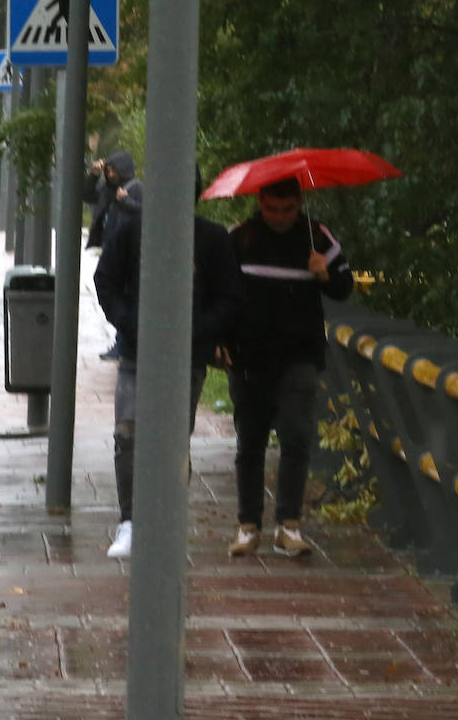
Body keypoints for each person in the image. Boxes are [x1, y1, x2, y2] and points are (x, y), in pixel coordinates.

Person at [93, 170, 240, 558]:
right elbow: (105, 280)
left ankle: (166, 519)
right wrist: (131, 322)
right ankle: (131, 522)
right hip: (137, 352)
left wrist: (198, 332)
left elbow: (228, 297)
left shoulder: (211, 240)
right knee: (128, 434)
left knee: (173, 439)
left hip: (186, 356)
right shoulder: (132, 234)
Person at [226, 176, 353, 558]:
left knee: (296, 435)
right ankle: (248, 525)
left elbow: (344, 288)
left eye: (287, 209)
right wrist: (220, 342)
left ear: (299, 204)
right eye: (271, 209)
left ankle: (289, 524)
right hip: (249, 356)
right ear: (259, 202)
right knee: (251, 440)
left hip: (300, 354)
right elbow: (220, 294)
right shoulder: (239, 238)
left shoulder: (318, 239)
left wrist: (324, 274)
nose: (279, 217)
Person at [84, 151, 144, 360]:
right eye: (107, 170)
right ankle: (122, 340)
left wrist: (126, 201)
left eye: (112, 170)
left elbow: (146, 213)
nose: (109, 173)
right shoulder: (108, 190)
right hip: (112, 249)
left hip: (129, 253)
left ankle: (123, 342)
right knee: (111, 293)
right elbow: (87, 194)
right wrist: (94, 175)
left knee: (125, 296)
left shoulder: (136, 188)